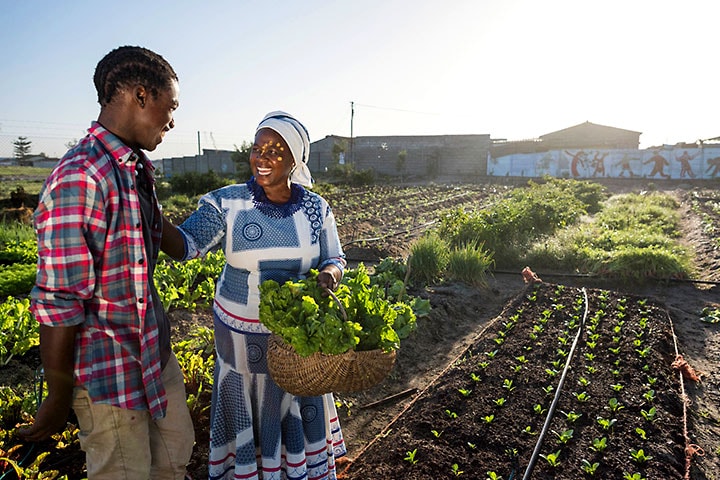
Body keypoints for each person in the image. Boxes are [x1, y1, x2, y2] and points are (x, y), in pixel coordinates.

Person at [18, 46, 195, 479]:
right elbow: (59, 301)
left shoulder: (134, 167)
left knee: (175, 453)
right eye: (169, 107)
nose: (172, 121)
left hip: (152, 354)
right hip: (107, 374)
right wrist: (58, 398)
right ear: (139, 96)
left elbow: (160, 236)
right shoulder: (82, 176)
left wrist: (227, 217)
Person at [162, 111, 348, 480]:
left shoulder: (315, 209)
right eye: (257, 148)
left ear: (295, 160)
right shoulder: (227, 204)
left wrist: (330, 274)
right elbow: (187, 244)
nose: (262, 158)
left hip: (296, 345)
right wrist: (148, 212)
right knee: (247, 415)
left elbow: (335, 257)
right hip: (240, 341)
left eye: (275, 150)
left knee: (291, 407)